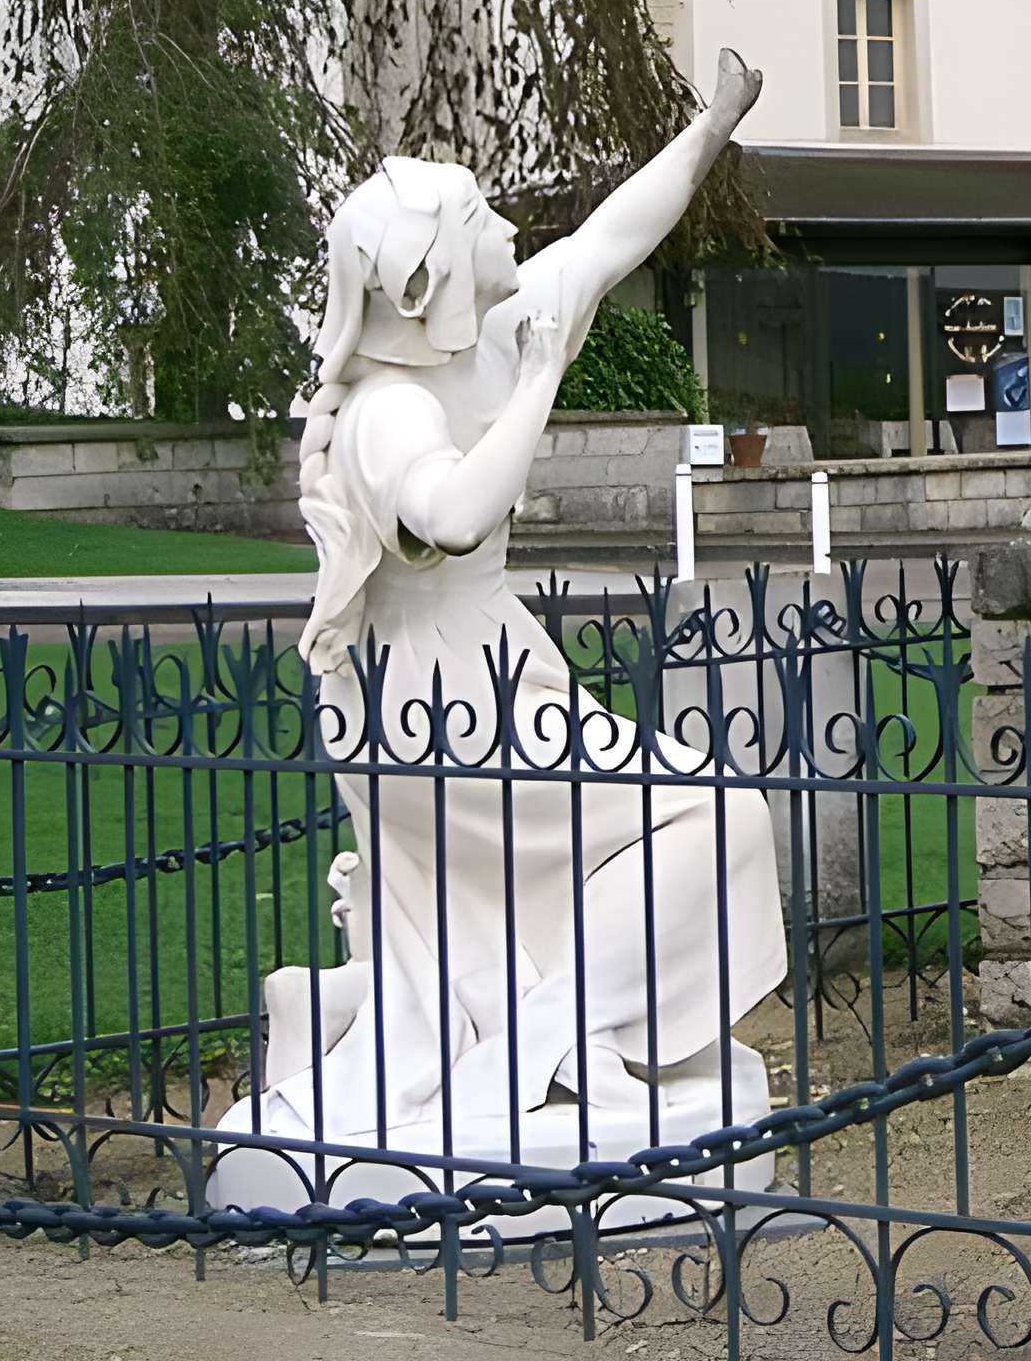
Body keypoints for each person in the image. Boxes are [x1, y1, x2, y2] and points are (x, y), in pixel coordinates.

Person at [209, 58, 783, 1216]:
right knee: (711, 818)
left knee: (680, 826)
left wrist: (710, 127)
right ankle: (533, 1043)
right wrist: (531, 391)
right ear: (428, 282)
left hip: (482, 679)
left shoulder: (495, 326)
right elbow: (453, 513)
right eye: (480, 218)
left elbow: (616, 232)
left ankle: (495, 1026)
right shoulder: (386, 411)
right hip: (429, 709)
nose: (509, 224)